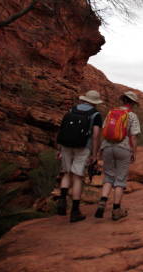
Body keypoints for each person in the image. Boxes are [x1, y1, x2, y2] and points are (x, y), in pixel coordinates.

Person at [56, 90, 103, 222]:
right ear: (95, 102)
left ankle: (62, 201)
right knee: (77, 177)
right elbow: (95, 136)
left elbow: (62, 129)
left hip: (66, 145)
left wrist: (59, 148)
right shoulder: (96, 114)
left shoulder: (72, 109)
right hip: (83, 147)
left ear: (84, 99)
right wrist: (94, 154)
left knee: (66, 173)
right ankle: (75, 211)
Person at [94, 91, 140, 221]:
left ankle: (102, 202)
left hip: (107, 147)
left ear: (123, 100)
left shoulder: (111, 112)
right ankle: (116, 210)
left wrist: (100, 150)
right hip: (123, 148)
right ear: (132, 103)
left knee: (108, 176)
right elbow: (134, 136)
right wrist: (134, 152)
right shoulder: (132, 115)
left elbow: (104, 131)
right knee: (120, 179)